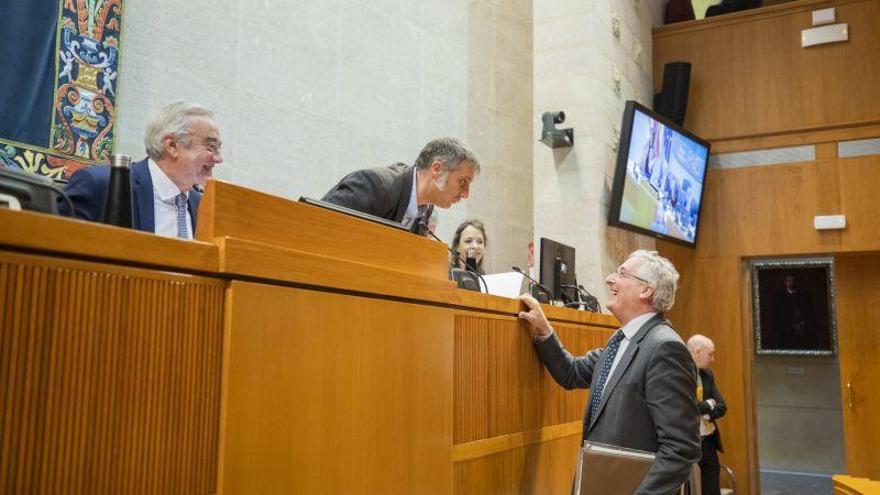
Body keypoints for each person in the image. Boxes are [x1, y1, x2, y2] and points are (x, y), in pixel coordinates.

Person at [518, 250, 700, 495]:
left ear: (646, 290)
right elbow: (572, 373)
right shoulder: (620, 340)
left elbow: (680, 449)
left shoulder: (665, 348)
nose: (609, 279)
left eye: (622, 274)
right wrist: (544, 330)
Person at [59, 101, 223, 239]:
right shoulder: (101, 186)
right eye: (211, 147)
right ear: (172, 145)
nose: (218, 158)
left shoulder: (202, 206)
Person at [321, 137, 480, 232]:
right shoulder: (374, 186)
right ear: (437, 169)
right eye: (463, 182)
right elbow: (315, 229)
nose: (466, 193)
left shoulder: (427, 212)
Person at [687, 335, 726, 495]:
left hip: (708, 441)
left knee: (712, 489)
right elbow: (687, 408)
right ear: (697, 352)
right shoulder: (680, 373)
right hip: (689, 442)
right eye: (710, 354)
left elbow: (722, 406)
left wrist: (706, 412)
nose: (713, 359)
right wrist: (708, 404)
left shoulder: (707, 374)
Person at [772, 274, 816, 349]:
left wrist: (803, 323)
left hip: (802, 327)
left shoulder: (803, 295)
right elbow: (779, 315)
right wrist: (791, 325)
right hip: (788, 329)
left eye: (792, 281)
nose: (791, 283)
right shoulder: (780, 297)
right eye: (788, 281)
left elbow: (808, 312)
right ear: (785, 283)